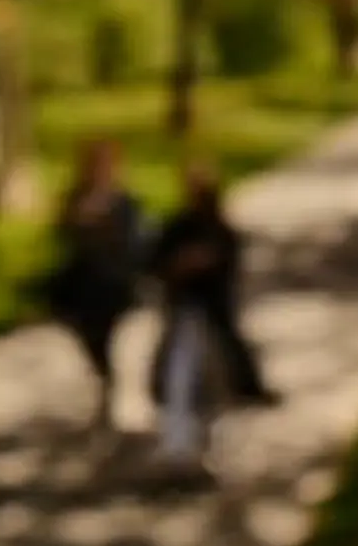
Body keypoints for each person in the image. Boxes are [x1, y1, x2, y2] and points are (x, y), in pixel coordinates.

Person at [148, 163, 279, 411]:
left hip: (212, 292)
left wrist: (206, 261)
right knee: (173, 338)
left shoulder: (218, 226)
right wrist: (179, 266)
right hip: (183, 291)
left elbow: (230, 257)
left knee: (229, 335)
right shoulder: (178, 226)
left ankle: (248, 387)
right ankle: (162, 389)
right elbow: (158, 262)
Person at [47, 138, 146, 428]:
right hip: (81, 285)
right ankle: (105, 380)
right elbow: (62, 233)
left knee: (111, 339)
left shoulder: (124, 201)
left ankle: (112, 389)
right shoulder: (74, 198)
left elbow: (133, 243)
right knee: (90, 339)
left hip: (113, 284)